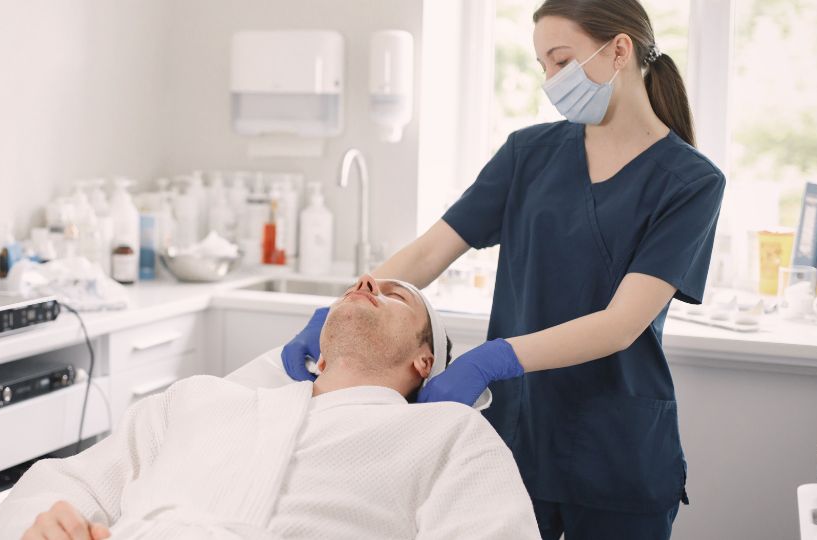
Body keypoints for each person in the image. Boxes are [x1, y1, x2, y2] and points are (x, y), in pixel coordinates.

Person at [281, 1, 725, 538]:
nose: (552, 81)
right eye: (543, 66)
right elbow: (427, 255)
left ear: (620, 51)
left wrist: (495, 357)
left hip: (617, 446)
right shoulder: (528, 154)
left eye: (562, 62)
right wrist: (340, 309)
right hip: (518, 434)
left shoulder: (691, 182)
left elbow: (621, 324)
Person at [0, 274, 539, 540]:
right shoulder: (201, 400)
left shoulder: (447, 435)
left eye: (396, 294)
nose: (366, 285)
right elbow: (69, 483)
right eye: (357, 286)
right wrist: (42, 524)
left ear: (424, 363)